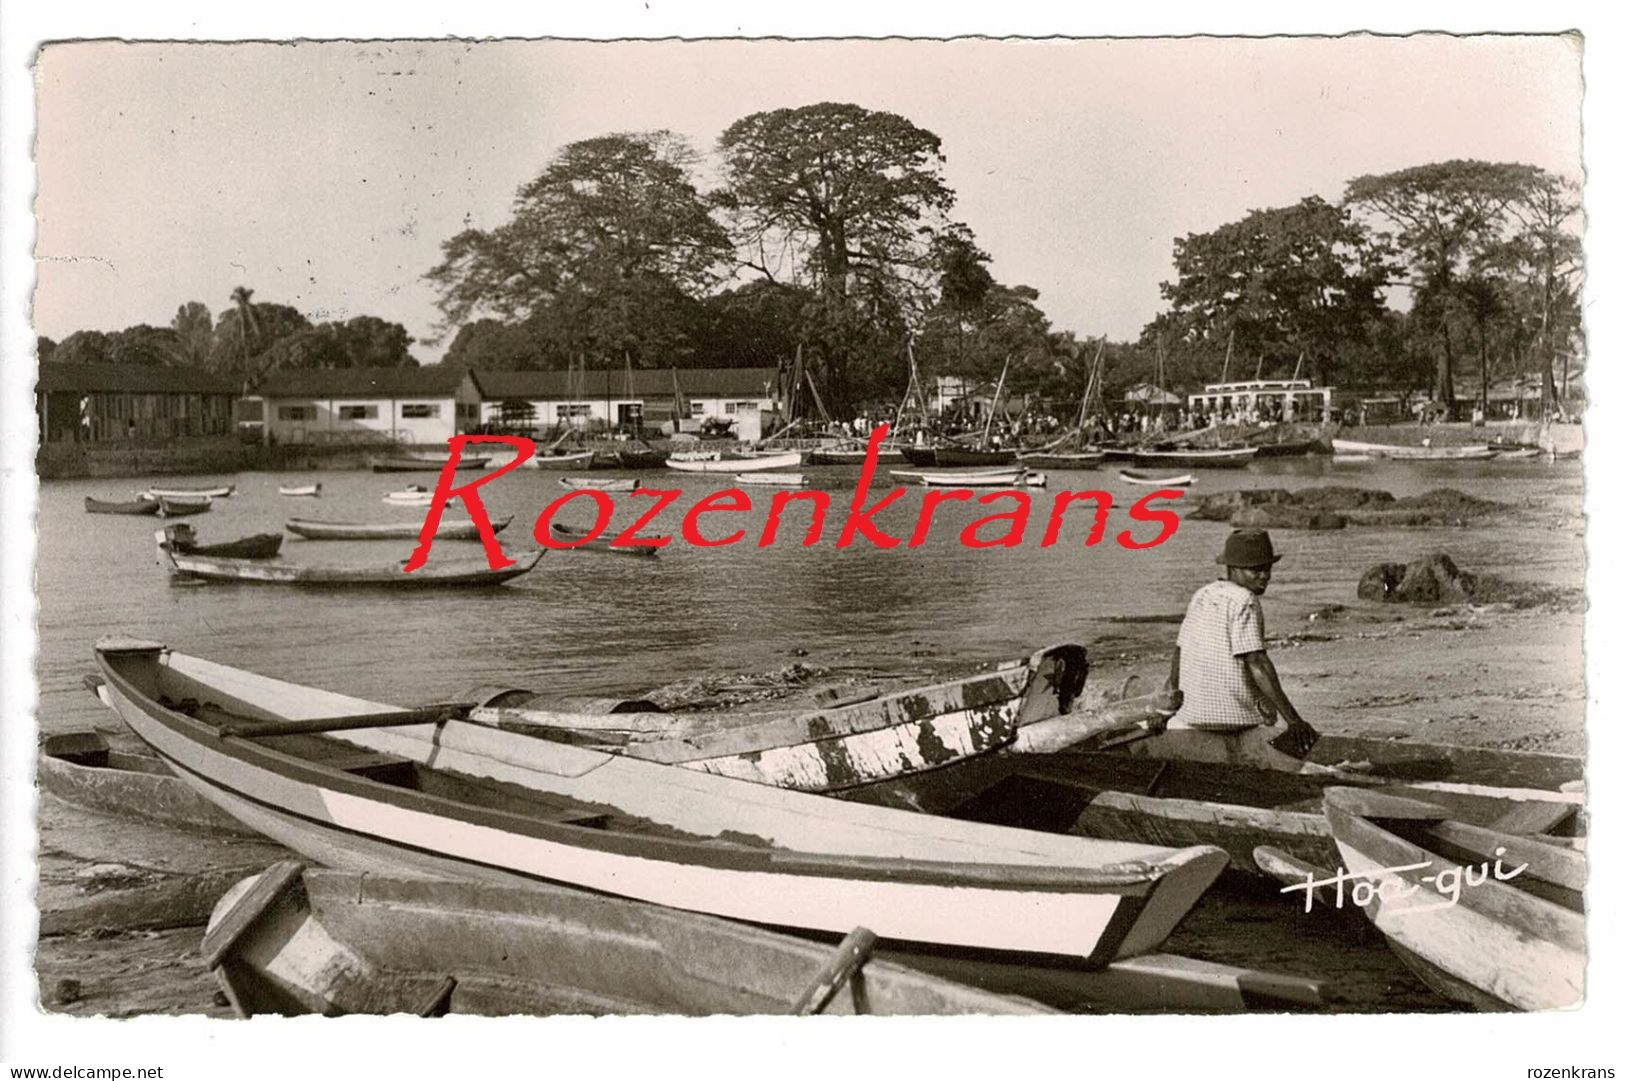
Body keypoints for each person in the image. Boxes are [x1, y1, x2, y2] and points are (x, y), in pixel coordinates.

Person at [1162, 528, 1319, 755]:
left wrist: (1172, 707)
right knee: (1269, 719)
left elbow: (1179, 653)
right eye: (1255, 570)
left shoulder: (1203, 594)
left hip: (1191, 715)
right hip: (1232, 719)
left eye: (1267, 568)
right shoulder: (1245, 599)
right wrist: (1294, 721)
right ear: (1234, 569)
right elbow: (1257, 663)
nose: (1265, 575)